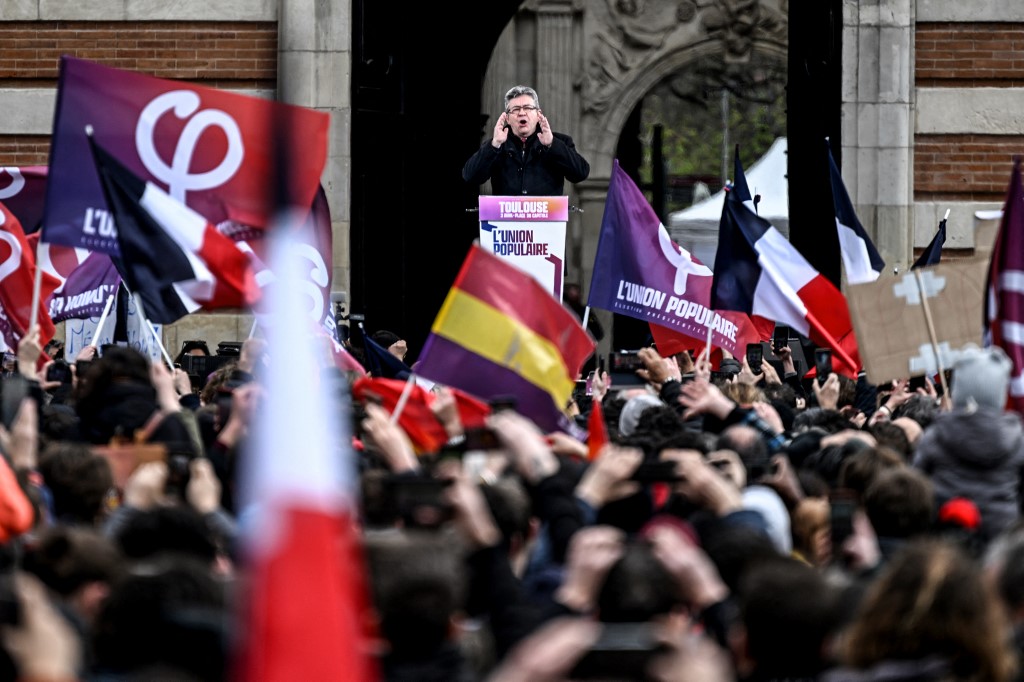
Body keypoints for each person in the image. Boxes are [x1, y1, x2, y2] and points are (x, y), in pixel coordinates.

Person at [462, 85, 591, 196]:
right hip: (506, 222)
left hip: (546, 222)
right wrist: (494, 145)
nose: (522, 113)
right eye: (516, 109)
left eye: (528, 108)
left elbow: (580, 173)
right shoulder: (497, 145)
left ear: (538, 114)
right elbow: (470, 176)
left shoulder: (561, 142)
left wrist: (552, 144)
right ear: (507, 118)